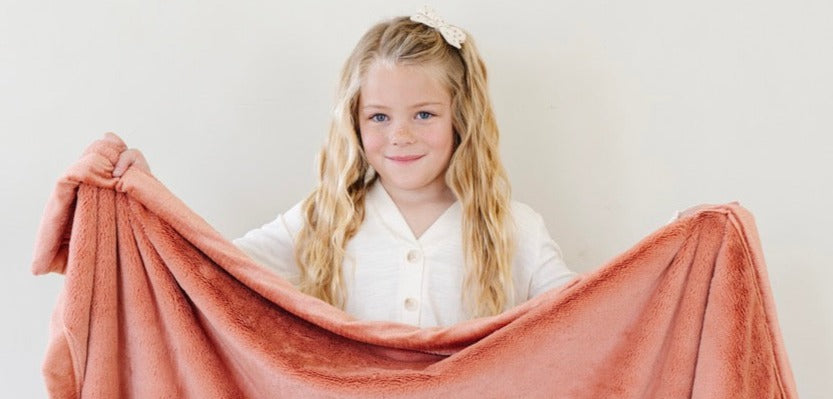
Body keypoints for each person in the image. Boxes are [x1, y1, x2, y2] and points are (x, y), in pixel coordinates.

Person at [112, 8, 576, 327]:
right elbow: (214, 270)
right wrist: (151, 200)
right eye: (379, 116)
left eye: (424, 114)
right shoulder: (325, 220)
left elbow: (590, 317)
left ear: (461, 117)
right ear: (354, 123)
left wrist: (650, 282)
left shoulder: (515, 228)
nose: (400, 135)